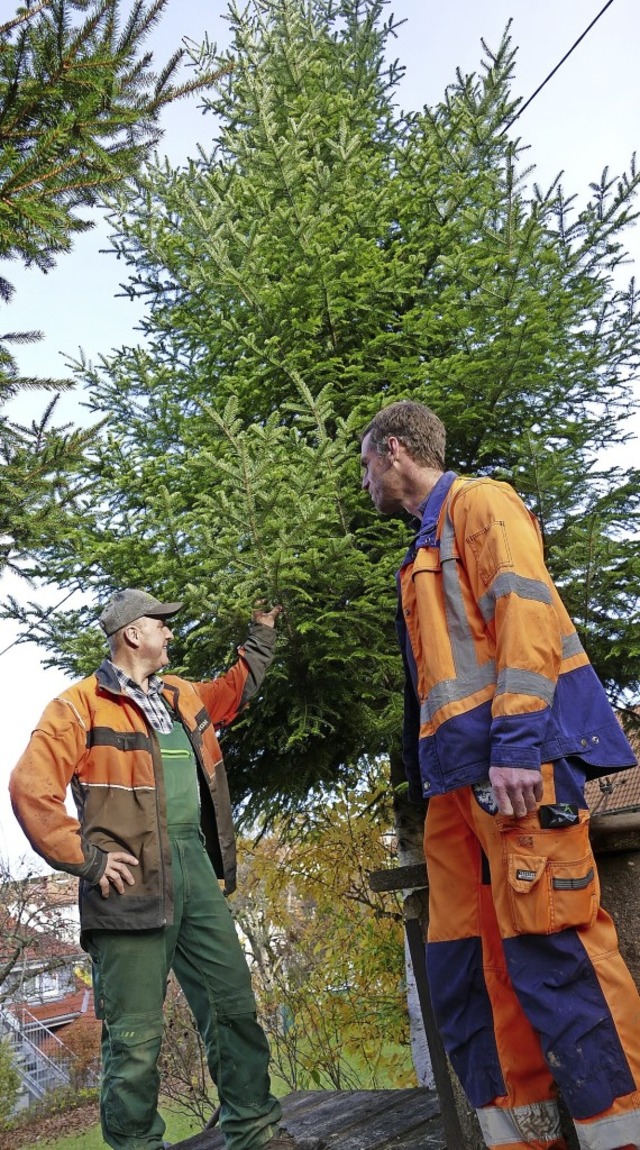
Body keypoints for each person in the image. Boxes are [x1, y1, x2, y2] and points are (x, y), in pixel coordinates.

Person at [360, 401, 640, 1150]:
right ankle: (522, 1137)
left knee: (557, 950)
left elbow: (527, 616)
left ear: (394, 451)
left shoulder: (480, 506)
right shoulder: (425, 547)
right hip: (460, 790)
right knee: (464, 966)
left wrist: (518, 745)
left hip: (518, 772)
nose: (364, 483)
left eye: (364, 466)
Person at [9, 589, 296, 1150]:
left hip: (194, 868)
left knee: (233, 1007)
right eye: (162, 625)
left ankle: (255, 1131)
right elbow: (30, 787)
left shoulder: (183, 695)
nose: (170, 633)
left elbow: (234, 691)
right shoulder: (79, 705)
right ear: (132, 634)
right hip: (128, 884)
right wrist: (87, 859)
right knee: (135, 1037)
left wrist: (261, 633)